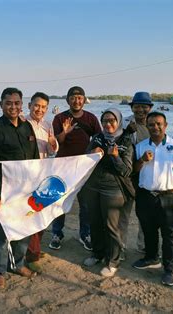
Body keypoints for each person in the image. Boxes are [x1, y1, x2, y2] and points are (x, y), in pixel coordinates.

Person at [132, 112, 173, 286]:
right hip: (146, 196)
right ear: (147, 126)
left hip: (168, 196)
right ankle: (151, 257)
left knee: (170, 234)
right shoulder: (140, 147)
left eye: (159, 124)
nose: (155, 127)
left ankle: (170, 269)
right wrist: (142, 160)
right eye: (151, 124)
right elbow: (134, 170)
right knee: (148, 229)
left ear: (166, 125)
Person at [0, 87, 40, 290]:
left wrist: (37, 185)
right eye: (9, 103)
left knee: (24, 228)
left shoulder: (27, 127)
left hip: (26, 189)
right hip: (3, 189)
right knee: (0, 233)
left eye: (17, 103)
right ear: (1, 105)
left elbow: (35, 160)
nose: (13, 107)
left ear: (22, 104)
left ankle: (17, 263)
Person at [82, 108, 135, 277]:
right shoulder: (97, 137)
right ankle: (97, 253)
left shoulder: (126, 140)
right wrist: (91, 153)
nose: (108, 124)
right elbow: (85, 158)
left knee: (112, 226)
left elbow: (127, 171)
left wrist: (115, 157)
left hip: (114, 188)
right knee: (95, 222)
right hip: (93, 186)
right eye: (104, 120)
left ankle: (113, 261)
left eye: (112, 120)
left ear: (118, 121)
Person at [49, 86, 101, 251]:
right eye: (73, 97)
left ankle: (85, 234)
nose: (76, 100)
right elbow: (56, 144)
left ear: (84, 100)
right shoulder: (59, 118)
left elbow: (98, 139)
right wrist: (64, 132)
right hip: (62, 167)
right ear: (68, 100)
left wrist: (96, 151)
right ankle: (57, 234)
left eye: (80, 98)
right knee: (59, 202)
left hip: (84, 168)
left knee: (85, 204)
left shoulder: (91, 118)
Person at [24, 92, 59, 273]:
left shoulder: (48, 125)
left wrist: (53, 144)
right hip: (26, 176)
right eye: (37, 105)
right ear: (29, 105)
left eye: (44, 107)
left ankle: (34, 249)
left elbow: (51, 152)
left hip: (44, 175)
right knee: (31, 213)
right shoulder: (23, 123)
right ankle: (31, 255)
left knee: (43, 214)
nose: (40, 109)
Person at [120, 91, 153, 257]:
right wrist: (126, 133)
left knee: (145, 215)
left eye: (144, 106)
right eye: (137, 106)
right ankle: (120, 247)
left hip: (147, 176)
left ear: (150, 108)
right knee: (123, 213)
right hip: (127, 176)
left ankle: (143, 246)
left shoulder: (155, 123)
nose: (140, 110)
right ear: (132, 107)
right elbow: (116, 144)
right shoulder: (124, 123)